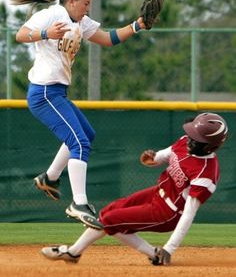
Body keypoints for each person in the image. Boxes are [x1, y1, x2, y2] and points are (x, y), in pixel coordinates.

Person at [7, 0, 147, 230]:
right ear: (71, 2)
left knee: (87, 135)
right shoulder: (52, 15)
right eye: (85, 3)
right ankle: (78, 203)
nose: (87, 8)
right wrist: (45, 34)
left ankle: (49, 178)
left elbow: (108, 38)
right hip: (44, 93)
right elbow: (20, 35)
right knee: (78, 142)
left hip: (57, 92)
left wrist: (138, 25)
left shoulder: (80, 21)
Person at [40, 112, 228, 265]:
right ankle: (153, 254)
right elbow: (165, 155)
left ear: (211, 146)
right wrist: (153, 159)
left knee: (110, 220)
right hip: (157, 193)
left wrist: (169, 248)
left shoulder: (206, 174)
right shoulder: (184, 141)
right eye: (191, 134)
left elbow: (188, 214)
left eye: (197, 139)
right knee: (109, 212)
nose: (190, 140)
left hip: (168, 212)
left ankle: (73, 252)